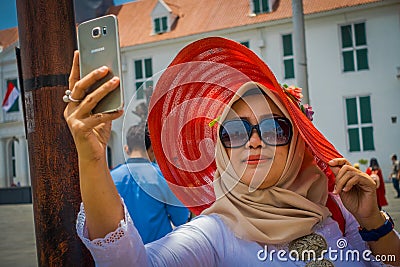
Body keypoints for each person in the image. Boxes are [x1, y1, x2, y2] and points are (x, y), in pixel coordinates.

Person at [64, 37, 400, 266]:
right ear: (221, 148)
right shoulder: (215, 233)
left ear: (297, 143)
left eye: (273, 129)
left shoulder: (337, 207)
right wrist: (93, 159)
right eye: (235, 131)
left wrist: (373, 221)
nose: (255, 141)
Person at [110, 123, 190, 244]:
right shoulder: (164, 176)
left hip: (124, 254)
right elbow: (181, 218)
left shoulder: (111, 178)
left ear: (127, 149)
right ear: (153, 149)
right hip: (159, 253)